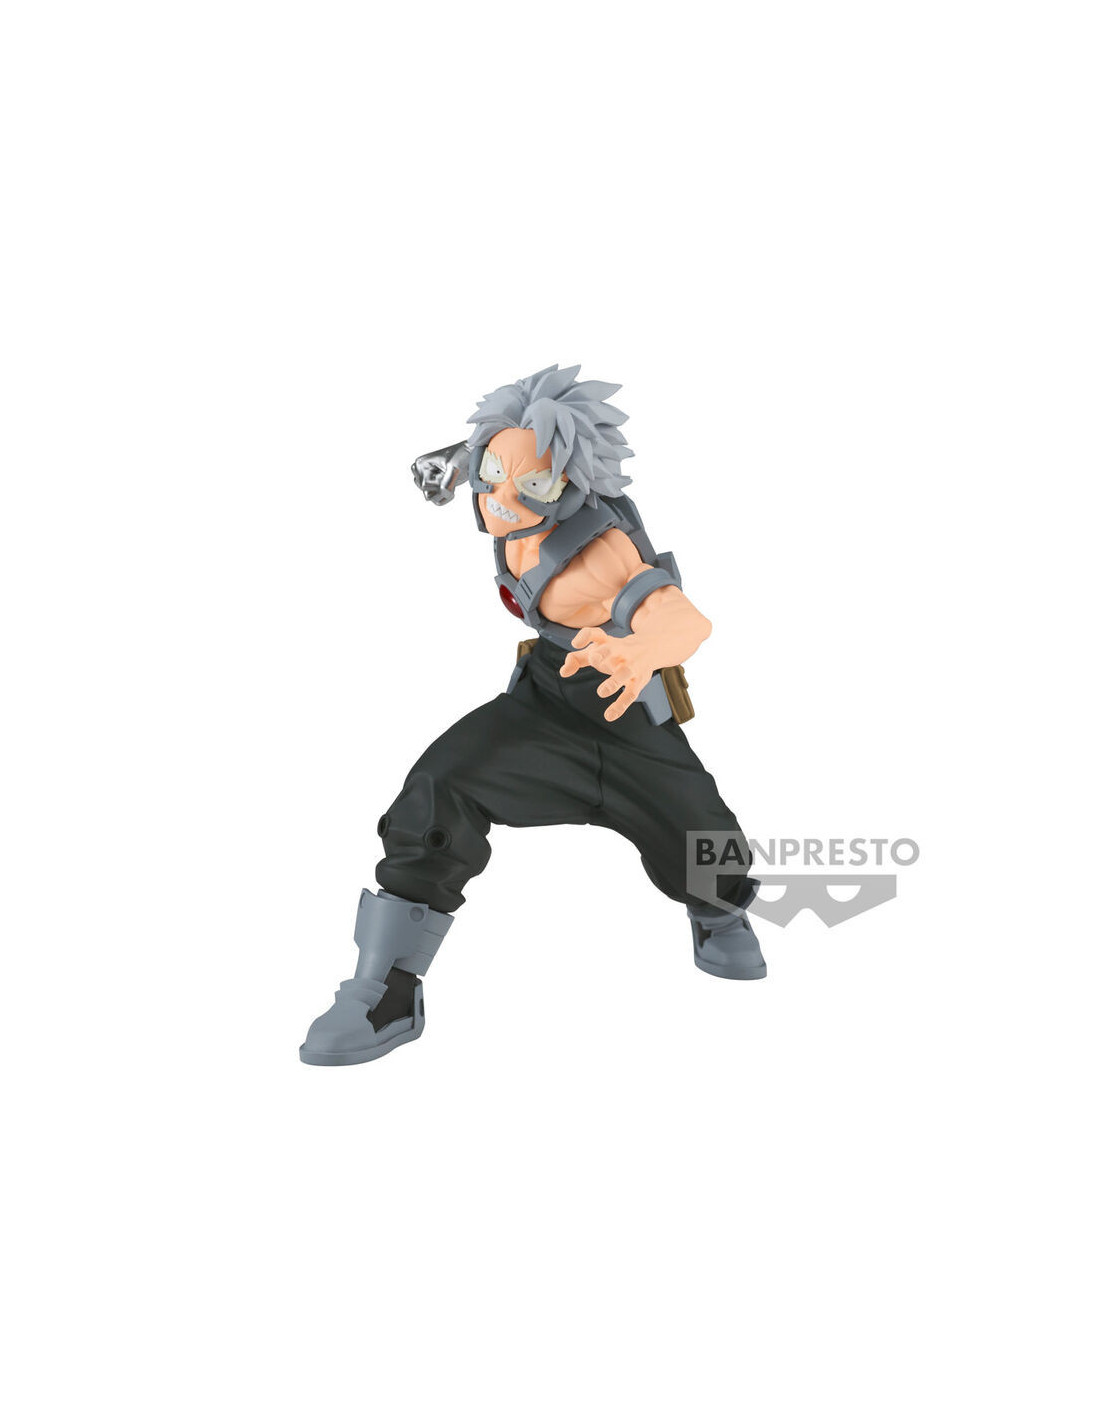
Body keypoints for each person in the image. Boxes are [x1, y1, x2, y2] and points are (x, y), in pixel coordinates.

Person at [300, 365, 762, 1067]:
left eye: (536, 486)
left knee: (704, 835)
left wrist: (640, 652)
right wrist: (454, 466)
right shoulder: (500, 479)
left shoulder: (600, 554)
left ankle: (721, 911)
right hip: (544, 698)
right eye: (493, 476)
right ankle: (384, 990)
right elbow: (495, 459)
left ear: (572, 483)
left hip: (624, 709)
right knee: (438, 788)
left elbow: (685, 621)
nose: (505, 501)